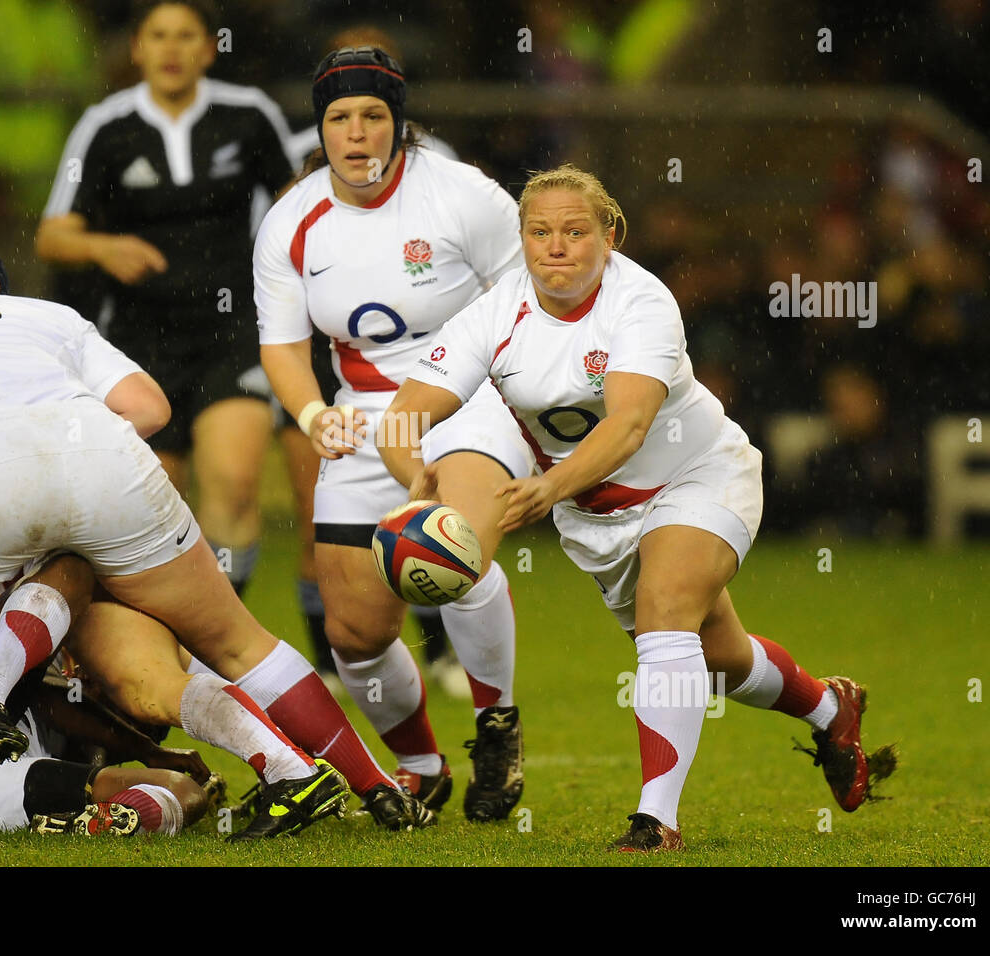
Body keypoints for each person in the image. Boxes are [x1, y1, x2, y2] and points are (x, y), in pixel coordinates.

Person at [0, 228, 431, 838]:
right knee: (235, 644)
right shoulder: (49, 315)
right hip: (110, 464)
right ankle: (373, 784)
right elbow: (150, 410)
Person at [381, 164, 897, 850]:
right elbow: (401, 418)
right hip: (601, 517)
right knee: (718, 659)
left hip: (698, 475)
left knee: (666, 608)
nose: (555, 246)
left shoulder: (642, 303)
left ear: (610, 235)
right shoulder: (496, 310)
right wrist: (415, 479)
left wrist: (548, 487)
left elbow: (626, 427)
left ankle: (657, 820)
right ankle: (832, 708)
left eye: (574, 230)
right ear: (523, 238)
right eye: (539, 231)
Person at [255, 46, 533, 822]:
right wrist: (316, 417)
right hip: (366, 413)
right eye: (340, 117)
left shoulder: (463, 195)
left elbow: (527, 302)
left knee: (457, 550)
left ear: (398, 125)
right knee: (353, 634)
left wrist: (523, 405)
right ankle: (420, 764)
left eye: (373, 115)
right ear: (321, 130)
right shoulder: (291, 219)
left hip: (470, 400)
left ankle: (496, 725)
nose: (356, 133)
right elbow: (280, 345)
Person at [36, 0, 295, 599]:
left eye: (186, 37)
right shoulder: (105, 126)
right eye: (158, 36)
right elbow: (52, 235)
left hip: (234, 331)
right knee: (154, 499)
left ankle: (220, 640)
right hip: (138, 338)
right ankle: (160, 648)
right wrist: (104, 247)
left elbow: (301, 211)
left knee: (232, 483)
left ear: (209, 49)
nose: (172, 49)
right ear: (137, 49)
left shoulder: (249, 116)